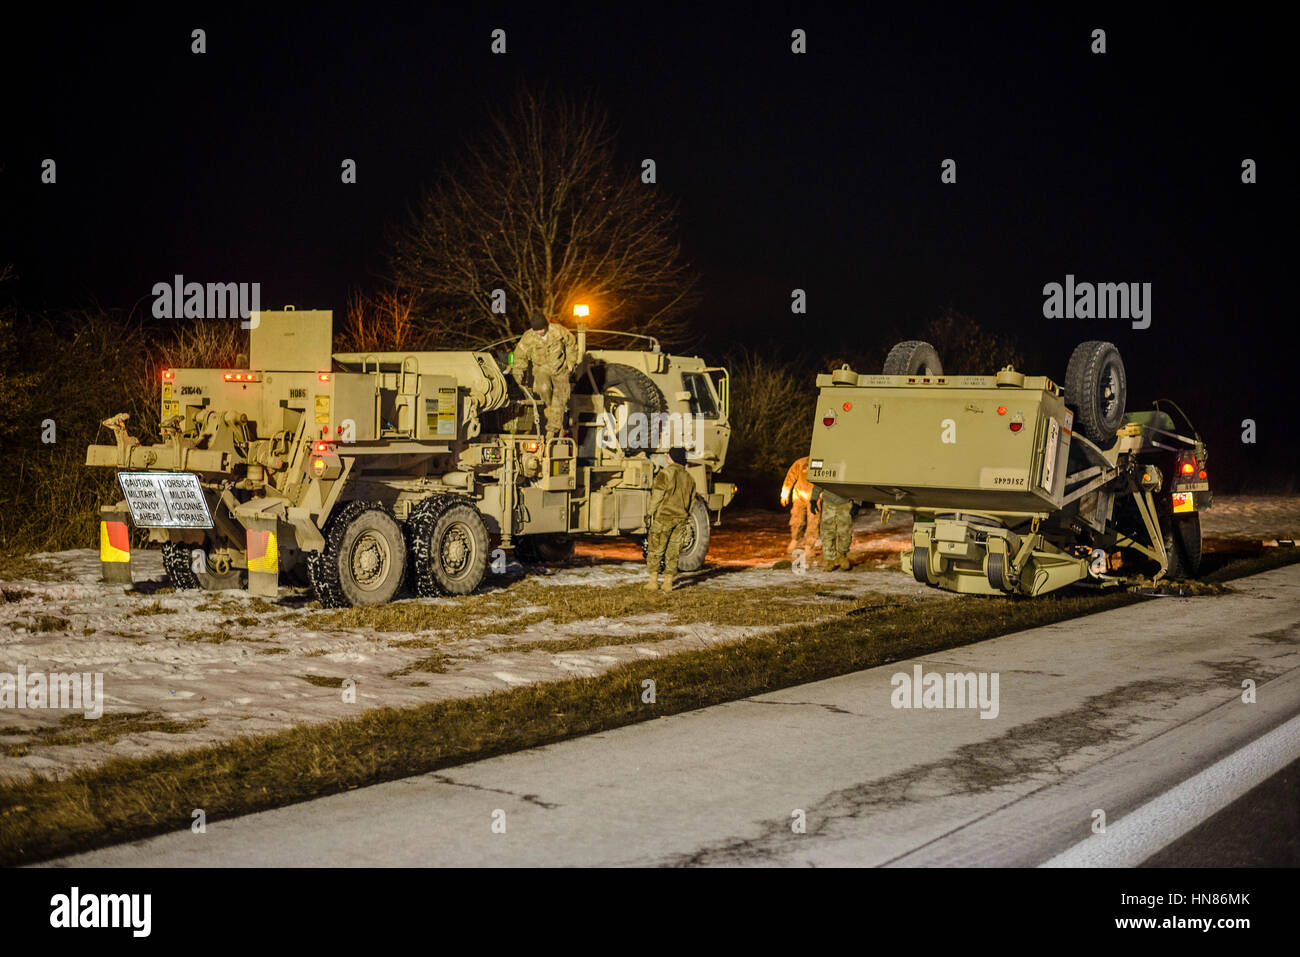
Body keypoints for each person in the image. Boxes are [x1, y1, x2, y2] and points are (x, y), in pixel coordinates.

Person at [512, 311, 578, 438]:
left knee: (560, 396)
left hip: (560, 369)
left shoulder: (558, 331)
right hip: (541, 368)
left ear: (546, 326)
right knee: (543, 388)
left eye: (542, 329)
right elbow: (519, 357)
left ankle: (552, 430)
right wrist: (517, 378)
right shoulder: (528, 337)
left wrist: (571, 361)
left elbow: (571, 344)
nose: (540, 332)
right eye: (537, 330)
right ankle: (549, 407)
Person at [644, 446, 696, 593]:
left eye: (668, 455)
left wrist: (650, 512)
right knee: (673, 552)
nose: (666, 456)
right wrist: (686, 517)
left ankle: (653, 582)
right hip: (680, 519)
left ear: (672, 457)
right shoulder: (690, 478)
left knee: (656, 549)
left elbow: (657, 496)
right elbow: (691, 503)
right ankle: (668, 583)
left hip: (664, 518)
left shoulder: (665, 474)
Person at [780, 456, 820, 553]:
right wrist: (784, 495)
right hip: (799, 496)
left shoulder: (822, 462)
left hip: (815, 497)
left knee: (813, 522)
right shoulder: (801, 462)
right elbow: (790, 478)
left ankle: (809, 546)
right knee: (797, 518)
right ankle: (795, 539)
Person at [812, 483, 853, 571]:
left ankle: (843, 556)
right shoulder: (827, 468)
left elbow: (857, 484)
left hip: (845, 503)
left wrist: (857, 503)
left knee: (845, 532)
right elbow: (820, 481)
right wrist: (813, 499)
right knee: (827, 532)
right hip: (828, 503)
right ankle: (830, 561)